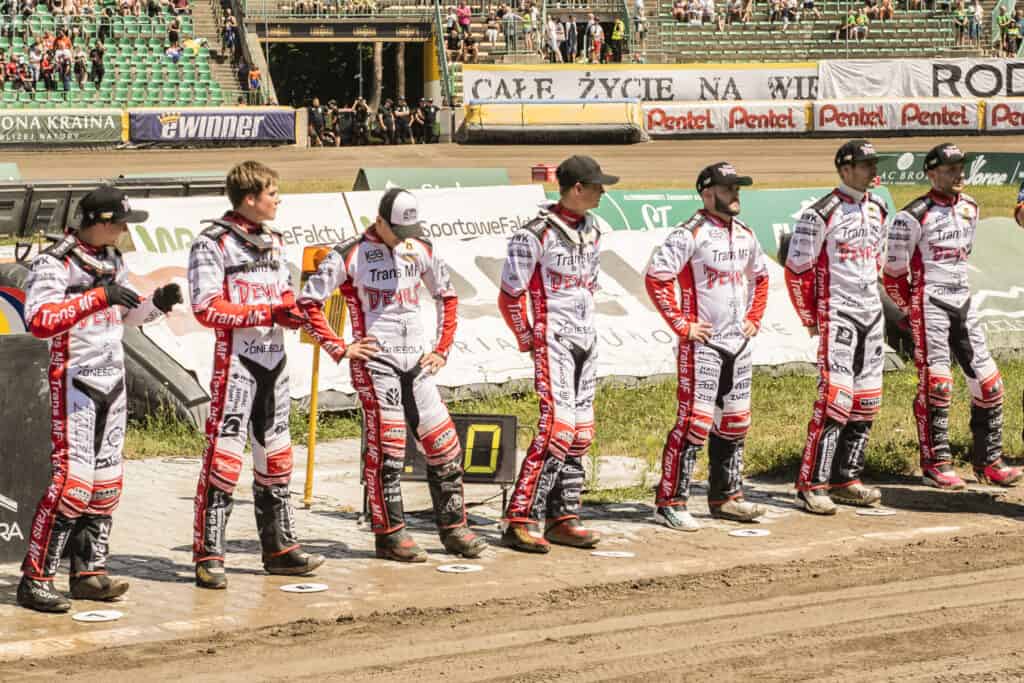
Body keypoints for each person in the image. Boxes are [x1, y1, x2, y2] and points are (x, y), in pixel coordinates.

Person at [297, 189, 487, 562]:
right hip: (376, 364)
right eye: (398, 231)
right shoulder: (349, 253)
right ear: (379, 221)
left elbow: (447, 296)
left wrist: (441, 348)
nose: (404, 239)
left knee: (445, 446)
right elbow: (306, 303)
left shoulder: (421, 247)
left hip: (418, 363)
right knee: (389, 451)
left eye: (409, 231)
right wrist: (340, 347)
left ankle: (454, 529)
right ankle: (389, 535)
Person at [17, 186, 182, 612]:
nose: (125, 230)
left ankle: (89, 574)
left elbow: (126, 313)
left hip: (113, 382)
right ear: (101, 221)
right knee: (71, 486)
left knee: (106, 485)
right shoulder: (55, 261)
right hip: (74, 383)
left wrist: (156, 305)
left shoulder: (113, 259)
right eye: (121, 223)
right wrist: (97, 296)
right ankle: (35, 579)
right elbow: (39, 320)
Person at [187, 161, 326, 590]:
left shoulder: (275, 241)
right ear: (250, 198)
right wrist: (267, 312)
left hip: (275, 362)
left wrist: (294, 311)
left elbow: (283, 294)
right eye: (273, 193)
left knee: (277, 458)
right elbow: (206, 308)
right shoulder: (212, 243)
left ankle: (281, 550)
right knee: (224, 461)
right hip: (236, 365)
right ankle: (209, 556)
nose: (278, 200)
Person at [883, 143, 1023, 491]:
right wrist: (910, 309)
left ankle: (989, 461)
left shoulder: (971, 207)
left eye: (961, 167)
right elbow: (893, 274)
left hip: (964, 302)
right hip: (929, 304)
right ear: (932, 174)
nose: (959, 174)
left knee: (990, 384)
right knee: (938, 384)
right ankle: (935, 463)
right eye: (950, 169)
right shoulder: (912, 215)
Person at [497, 155, 618, 553]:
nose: (603, 192)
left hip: (587, 339)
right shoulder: (534, 234)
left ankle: (563, 517)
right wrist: (528, 338)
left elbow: (591, 285)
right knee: (556, 430)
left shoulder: (594, 229)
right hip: (554, 340)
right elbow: (510, 295)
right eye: (597, 186)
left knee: (581, 433)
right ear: (577, 188)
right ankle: (519, 519)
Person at [645, 162, 768, 531]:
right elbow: (657, 278)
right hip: (703, 345)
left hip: (739, 343)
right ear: (707, 192)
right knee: (694, 424)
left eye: (738, 188)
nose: (736, 194)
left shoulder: (746, 233)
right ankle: (670, 502)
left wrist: (754, 317)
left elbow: (761, 278)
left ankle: (727, 497)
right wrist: (682, 325)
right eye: (729, 188)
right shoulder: (689, 233)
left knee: (735, 422)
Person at [784, 140, 887, 514]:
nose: (873, 170)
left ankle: (846, 479)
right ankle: (811, 484)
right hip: (838, 313)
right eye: (865, 164)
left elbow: (878, 261)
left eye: (874, 163)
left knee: (867, 399)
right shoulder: (820, 213)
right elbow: (797, 270)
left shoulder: (878, 207)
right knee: (835, 399)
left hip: (871, 314)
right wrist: (810, 317)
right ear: (845, 170)